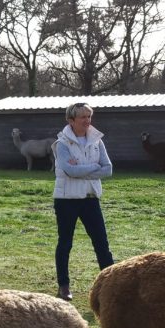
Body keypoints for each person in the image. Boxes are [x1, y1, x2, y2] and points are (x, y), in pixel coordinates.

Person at [53, 102, 114, 301]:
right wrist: (93, 167)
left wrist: (82, 169)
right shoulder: (62, 144)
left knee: (102, 244)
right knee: (65, 243)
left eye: (89, 116)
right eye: (83, 117)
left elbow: (108, 169)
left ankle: (112, 286)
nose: (87, 121)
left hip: (90, 198)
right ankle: (64, 286)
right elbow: (69, 171)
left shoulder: (97, 141)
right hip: (66, 200)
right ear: (71, 120)